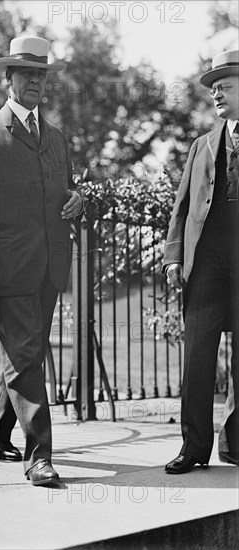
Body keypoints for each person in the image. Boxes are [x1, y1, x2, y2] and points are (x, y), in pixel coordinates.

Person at [0, 36, 83, 486]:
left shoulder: (57, 139)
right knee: (27, 356)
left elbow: (64, 190)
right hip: (8, 269)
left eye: (40, 75)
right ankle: (39, 456)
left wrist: (77, 200)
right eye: (25, 73)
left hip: (51, 265)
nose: (34, 81)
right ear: (8, 78)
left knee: (23, 355)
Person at [163, 49, 239, 474]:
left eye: (225, 86)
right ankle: (193, 450)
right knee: (197, 357)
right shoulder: (202, 146)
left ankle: (237, 445)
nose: (216, 94)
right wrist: (174, 257)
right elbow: (181, 206)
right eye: (213, 89)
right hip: (206, 265)